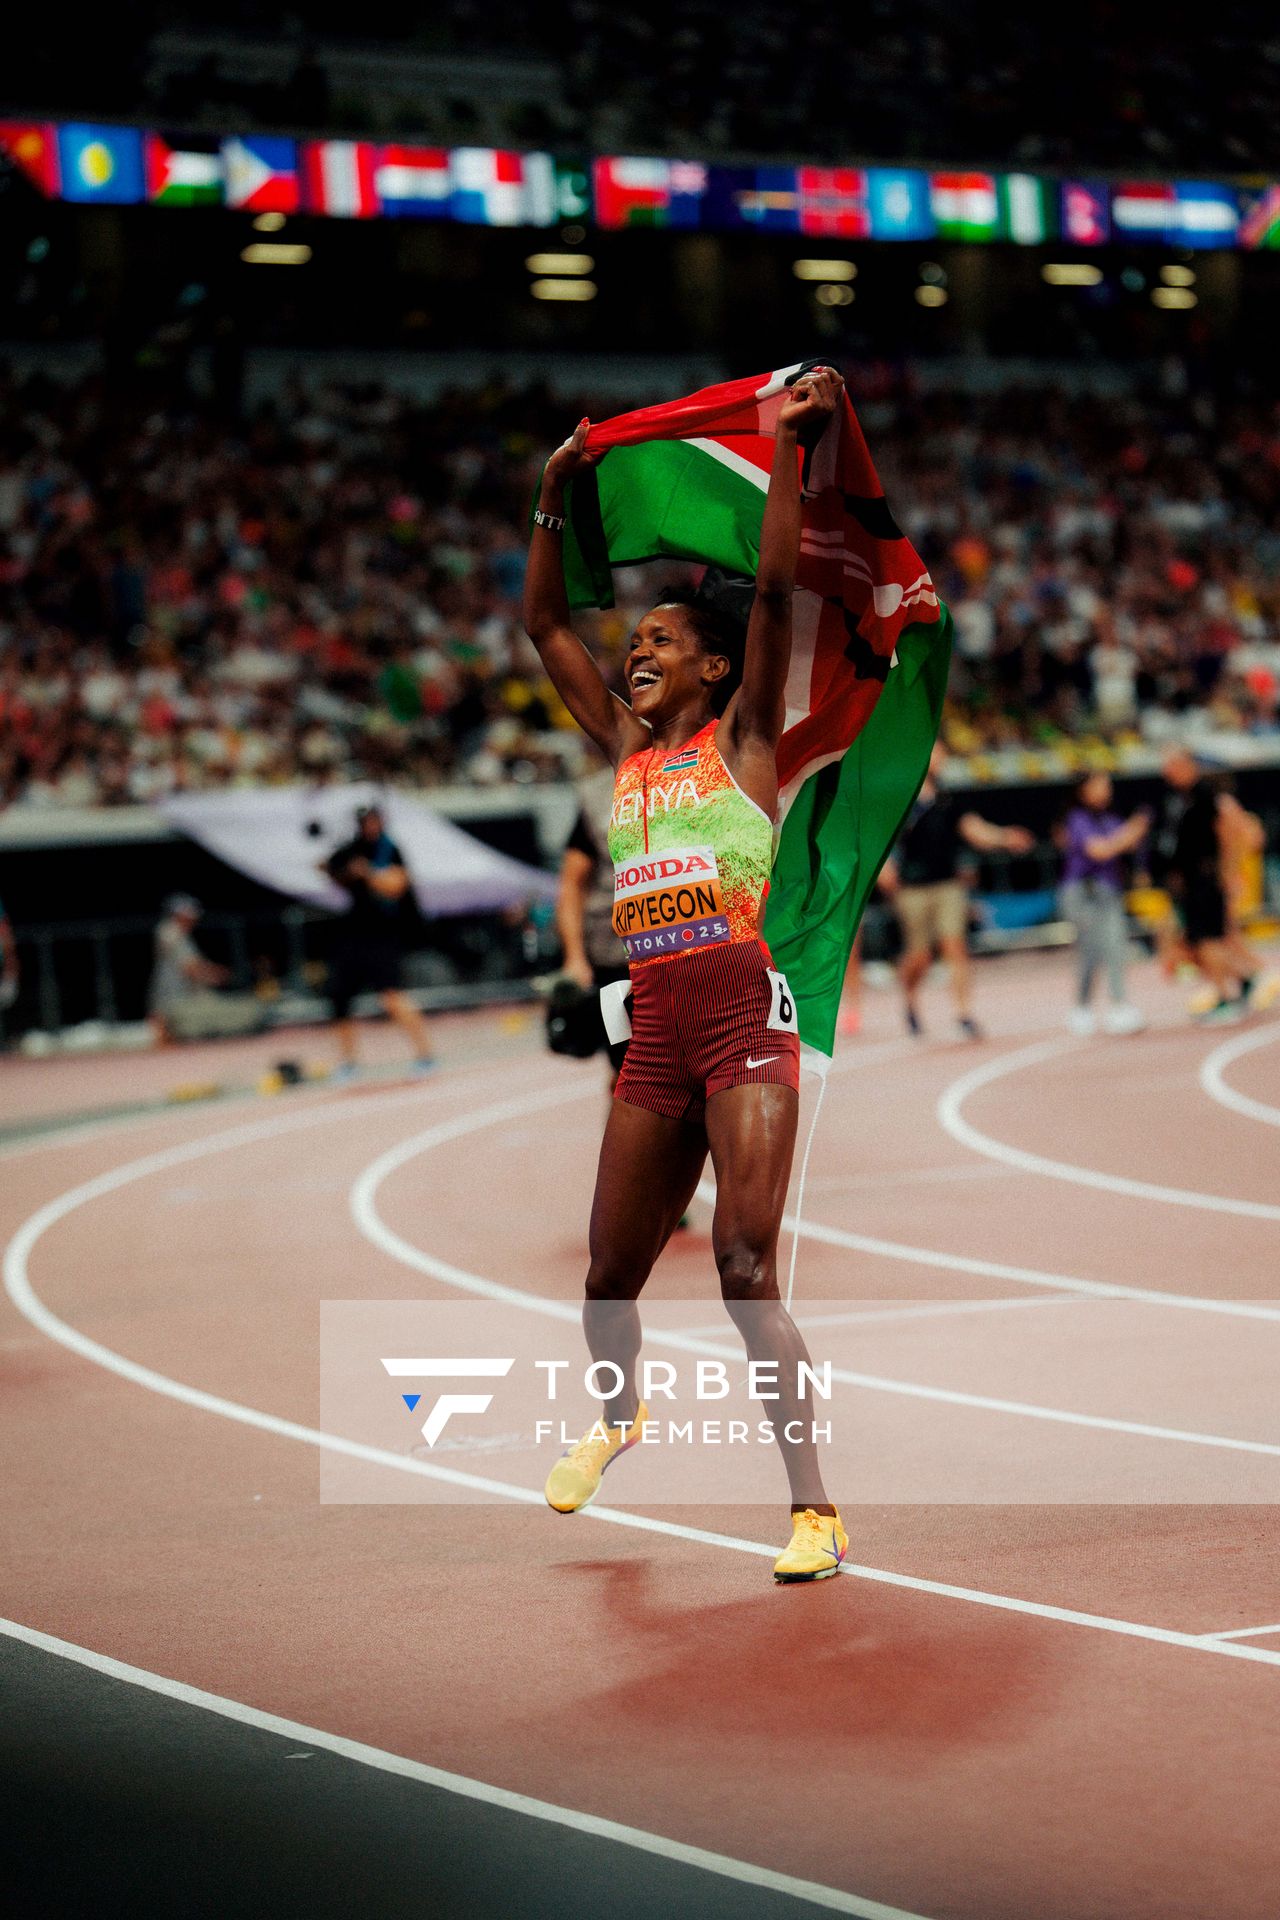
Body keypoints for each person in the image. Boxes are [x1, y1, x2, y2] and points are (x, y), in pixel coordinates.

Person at [523, 368, 848, 1583]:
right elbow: (546, 628)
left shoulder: (745, 740)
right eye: (635, 641)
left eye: (659, 640)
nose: (636, 651)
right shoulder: (622, 747)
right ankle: (618, 1417)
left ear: (714, 669)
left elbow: (774, 590)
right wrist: (552, 495)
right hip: (654, 1034)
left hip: (741, 1026)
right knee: (608, 1273)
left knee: (744, 1269)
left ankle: (812, 1512)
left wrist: (790, 454)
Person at [879, 742, 1034, 1039]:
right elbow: (880, 839)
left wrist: (1005, 837)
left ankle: (963, 1013)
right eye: (935, 752)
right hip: (912, 889)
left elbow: (974, 830)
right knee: (920, 956)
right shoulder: (899, 797)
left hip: (947, 884)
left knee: (955, 946)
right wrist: (884, 869)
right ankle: (909, 997)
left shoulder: (948, 798)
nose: (940, 758)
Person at [1151, 749, 1275, 1023]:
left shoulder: (1212, 799)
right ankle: (1247, 978)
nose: (1166, 772)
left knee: (1213, 939)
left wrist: (1229, 874)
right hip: (1189, 883)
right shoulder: (1179, 800)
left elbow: (1248, 837)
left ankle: (1235, 990)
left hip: (1206, 881)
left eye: (1171, 765)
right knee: (1204, 941)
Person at [322, 805, 435, 1077]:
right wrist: (341, 873)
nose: (370, 826)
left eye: (373, 821)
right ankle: (348, 1062)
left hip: (383, 933)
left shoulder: (390, 849)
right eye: (365, 822)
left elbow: (395, 886)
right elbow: (329, 868)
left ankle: (425, 1055)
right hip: (354, 932)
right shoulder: (353, 848)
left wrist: (366, 872)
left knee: (391, 996)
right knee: (338, 996)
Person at [555, 756, 631, 1089]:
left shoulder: (700, 769)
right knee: (625, 1068)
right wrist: (574, 957)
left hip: (682, 948)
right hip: (613, 958)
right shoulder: (598, 793)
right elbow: (571, 883)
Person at [1059, 773, 1149, 1036]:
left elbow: (1130, 845)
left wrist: (1134, 834)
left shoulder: (1111, 819)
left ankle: (1119, 1006)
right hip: (1082, 893)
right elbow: (1099, 850)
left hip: (1109, 891)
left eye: (1107, 785)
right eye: (1098, 785)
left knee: (1115, 946)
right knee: (1091, 950)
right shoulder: (1077, 819)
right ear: (1083, 790)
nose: (1105, 790)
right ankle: (1082, 1007)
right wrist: (1131, 831)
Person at [148, 895, 231, 1045]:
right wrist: (215, 974)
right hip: (175, 993)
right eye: (190, 915)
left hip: (177, 992)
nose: (194, 920)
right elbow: (190, 967)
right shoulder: (171, 931)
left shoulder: (175, 932)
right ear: (180, 914)